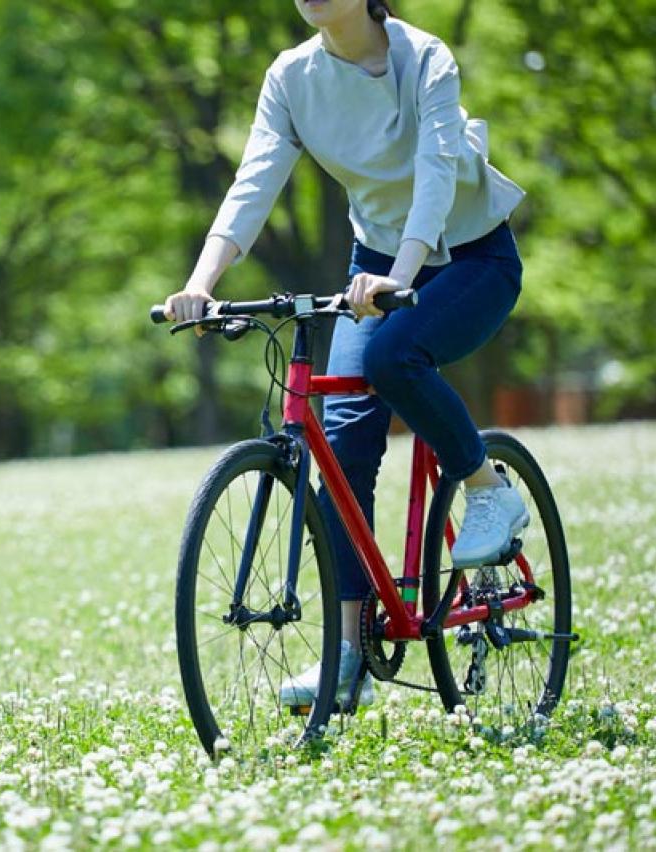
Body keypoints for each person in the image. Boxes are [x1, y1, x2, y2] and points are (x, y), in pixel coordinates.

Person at [162, 0, 529, 707]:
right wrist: (199, 284)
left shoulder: (424, 59)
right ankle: (346, 656)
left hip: (468, 255)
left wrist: (404, 271)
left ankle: (487, 489)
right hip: (377, 263)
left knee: (394, 359)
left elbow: (436, 171)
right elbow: (253, 181)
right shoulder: (291, 76)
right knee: (343, 443)